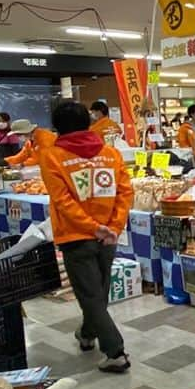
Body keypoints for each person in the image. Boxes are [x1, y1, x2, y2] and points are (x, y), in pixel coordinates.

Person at [38, 101, 133, 373]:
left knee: (91, 296)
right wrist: (111, 226)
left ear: (57, 126)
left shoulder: (53, 156)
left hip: (77, 236)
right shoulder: (110, 153)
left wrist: (93, 228)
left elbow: (63, 200)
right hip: (107, 237)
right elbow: (125, 193)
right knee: (98, 293)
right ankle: (87, 334)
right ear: (89, 123)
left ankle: (115, 352)